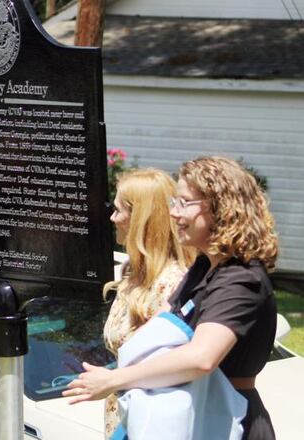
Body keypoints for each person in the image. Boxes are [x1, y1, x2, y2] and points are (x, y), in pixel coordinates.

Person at [66, 157, 279, 440]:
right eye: (173, 202)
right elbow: (154, 333)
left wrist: (114, 379)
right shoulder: (204, 267)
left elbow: (201, 358)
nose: (174, 214)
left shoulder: (241, 278)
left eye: (184, 203)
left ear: (221, 208)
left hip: (225, 423)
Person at [101, 169, 196, 437]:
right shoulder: (131, 272)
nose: (113, 218)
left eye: (119, 211)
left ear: (141, 220)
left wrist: (109, 380)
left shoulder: (174, 284)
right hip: (124, 419)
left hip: (155, 425)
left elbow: (178, 366)